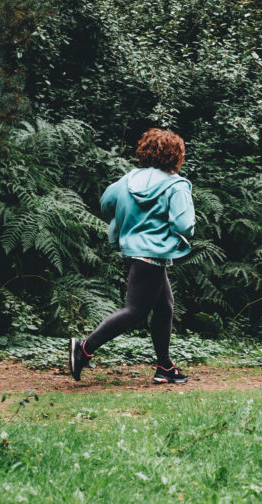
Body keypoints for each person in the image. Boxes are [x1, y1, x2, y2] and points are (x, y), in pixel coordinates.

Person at [69, 128, 195, 384]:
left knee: (165, 305)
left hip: (133, 252)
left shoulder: (127, 180)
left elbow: (106, 203)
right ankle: (84, 349)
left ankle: (165, 367)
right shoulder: (176, 185)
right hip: (152, 254)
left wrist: (128, 221)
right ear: (176, 156)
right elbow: (184, 225)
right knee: (135, 311)